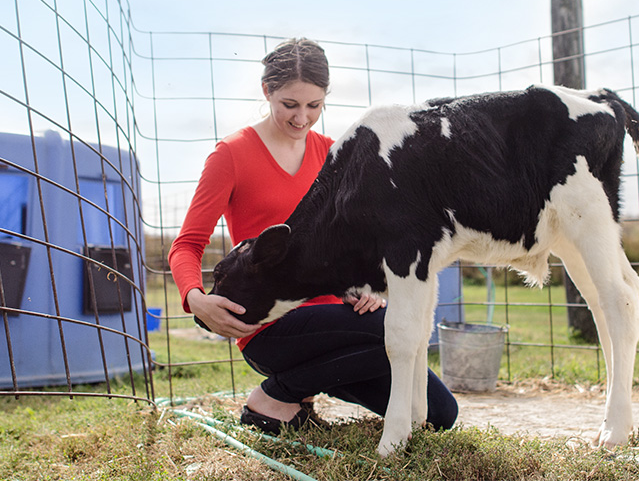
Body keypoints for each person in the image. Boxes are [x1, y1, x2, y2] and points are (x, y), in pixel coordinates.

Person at [168, 38, 458, 433]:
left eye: (314, 106)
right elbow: (187, 244)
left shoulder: (335, 154)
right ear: (267, 91)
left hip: (343, 321)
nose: (301, 118)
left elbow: (361, 242)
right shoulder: (231, 154)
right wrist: (195, 299)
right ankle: (277, 393)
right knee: (390, 329)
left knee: (440, 414)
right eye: (290, 104)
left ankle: (286, 393)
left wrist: (369, 288)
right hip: (271, 326)